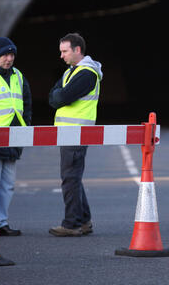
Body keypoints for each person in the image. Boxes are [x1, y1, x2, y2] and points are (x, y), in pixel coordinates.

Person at [48, 33, 103, 237]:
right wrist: (59, 96)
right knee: (74, 178)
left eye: (65, 51)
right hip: (69, 132)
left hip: (77, 132)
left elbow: (62, 95)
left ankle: (71, 224)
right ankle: (84, 220)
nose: (61, 56)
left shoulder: (87, 73)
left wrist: (59, 96)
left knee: (70, 177)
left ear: (77, 50)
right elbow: (54, 97)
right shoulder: (71, 72)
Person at [0, 36, 32, 236]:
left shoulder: (18, 76)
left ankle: (2, 223)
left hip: (14, 136)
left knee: (8, 186)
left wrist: (26, 126)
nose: (9, 58)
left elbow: (27, 104)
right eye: (5, 54)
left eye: (12, 54)